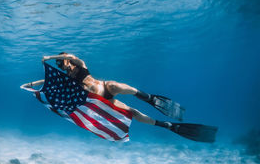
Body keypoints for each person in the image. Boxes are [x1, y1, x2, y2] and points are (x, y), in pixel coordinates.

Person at [21, 52, 180, 129]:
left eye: (60, 63)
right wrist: (31, 84)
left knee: (121, 86)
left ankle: (149, 98)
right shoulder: (67, 77)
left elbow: (71, 55)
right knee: (132, 113)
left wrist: (49, 58)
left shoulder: (80, 64)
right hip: (103, 100)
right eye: (58, 65)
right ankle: (163, 124)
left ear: (66, 61)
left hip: (105, 87)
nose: (59, 66)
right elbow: (47, 80)